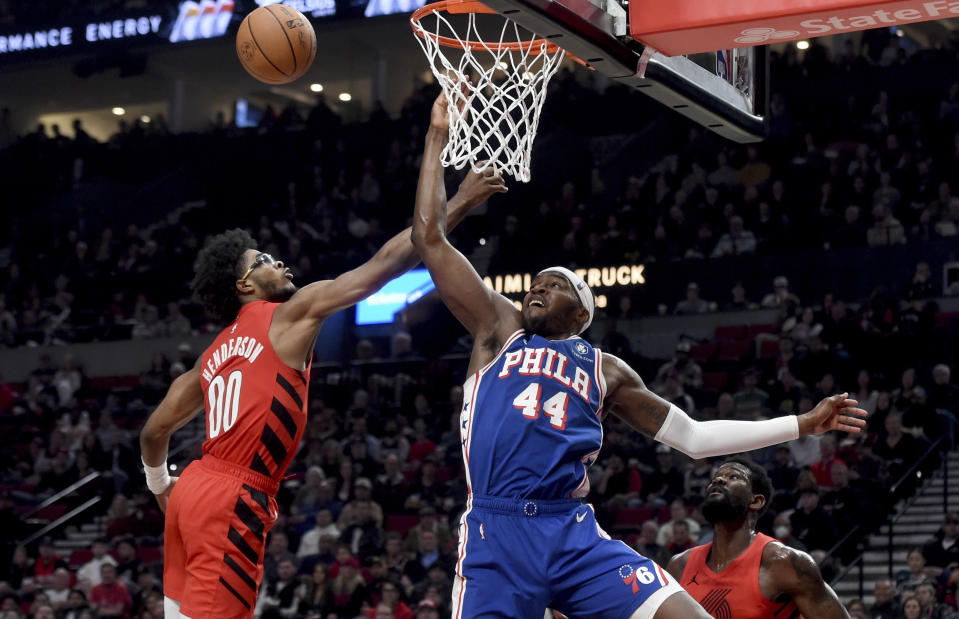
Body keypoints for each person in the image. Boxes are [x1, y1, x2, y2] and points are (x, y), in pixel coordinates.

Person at [411, 86, 868, 618]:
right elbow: (430, 239)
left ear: (581, 313)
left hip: (571, 529)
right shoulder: (498, 329)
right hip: (497, 529)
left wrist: (802, 424)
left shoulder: (605, 370)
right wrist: (437, 138)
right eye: (533, 283)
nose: (536, 288)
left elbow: (695, 439)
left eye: (553, 284)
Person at [139, 168, 503, 618]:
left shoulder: (210, 355)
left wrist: (160, 486)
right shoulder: (291, 314)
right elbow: (386, 263)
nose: (280, 263)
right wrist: (461, 202)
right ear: (244, 286)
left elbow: (154, 430)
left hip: (193, 487)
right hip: (232, 495)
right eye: (265, 259)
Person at [666, 458, 851, 618]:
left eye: (734, 477)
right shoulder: (679, 565)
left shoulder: (785, 563)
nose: (719, 479)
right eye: (716, 477)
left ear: (756, 501)